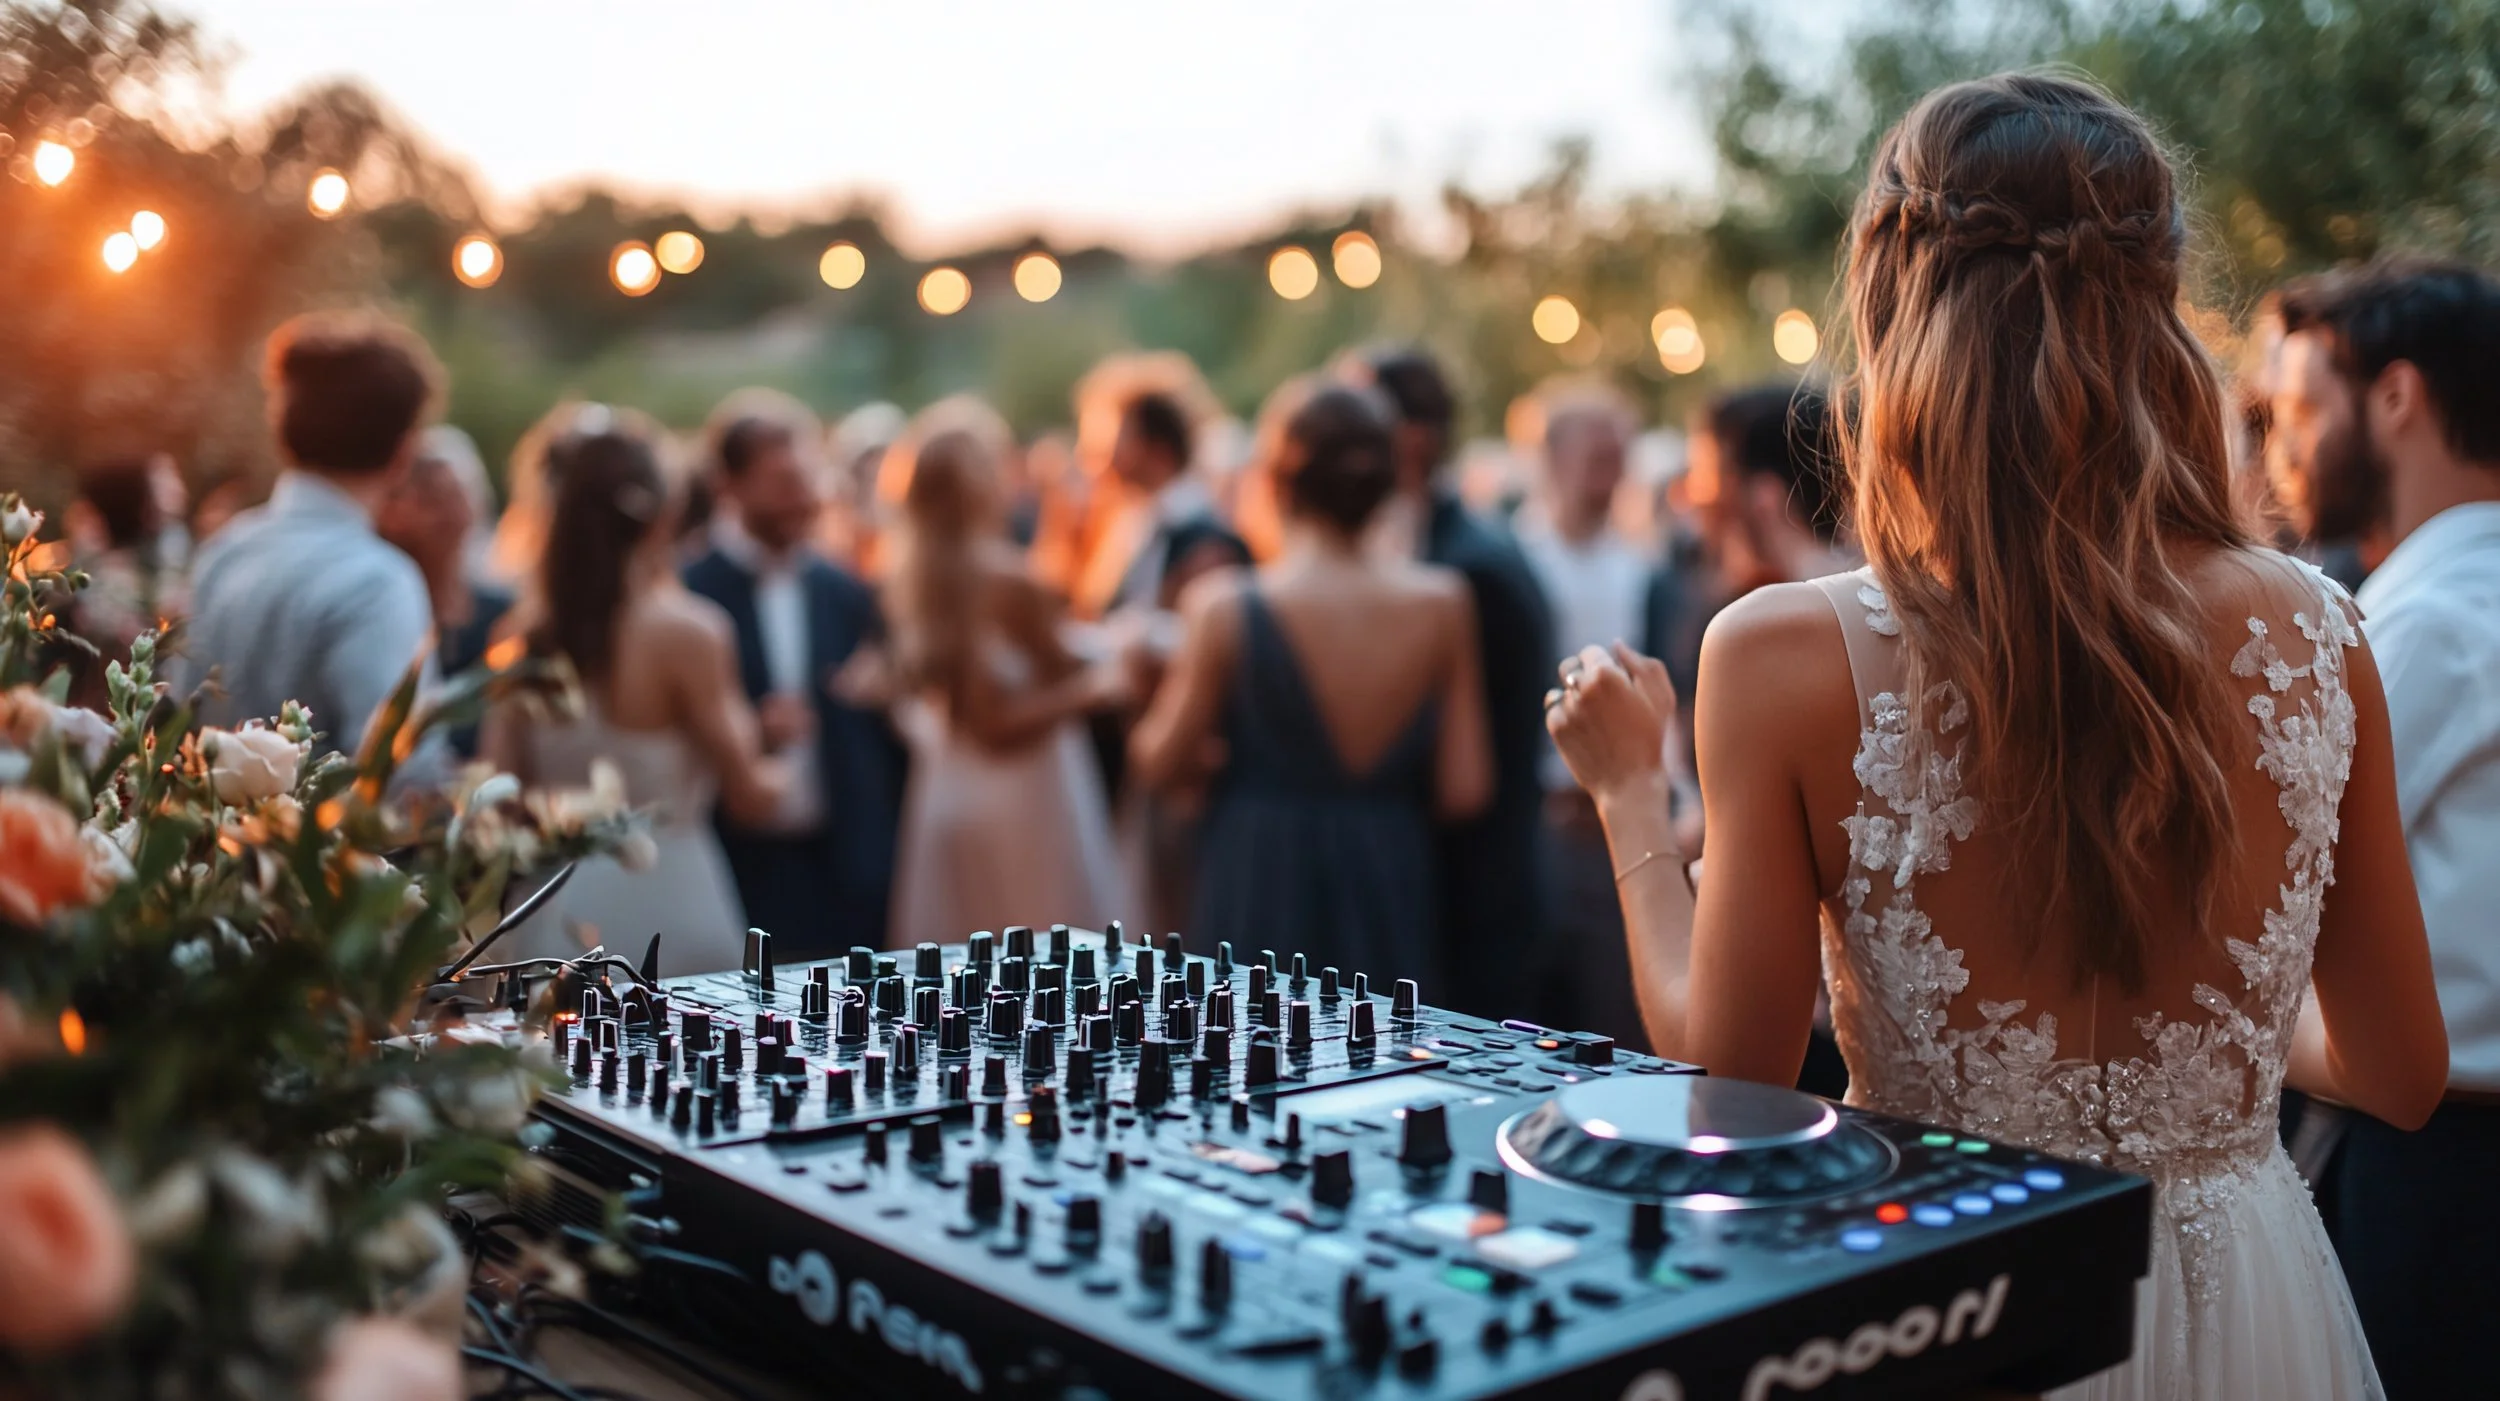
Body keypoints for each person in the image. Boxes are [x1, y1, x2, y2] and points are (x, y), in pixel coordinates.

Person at [1548, 74, 2445, 1400]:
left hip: (1948, 1295)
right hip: (2238, 1293)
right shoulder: (2317, 630)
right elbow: (2402, 1073)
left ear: (1889, 300)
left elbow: (1726, 1088)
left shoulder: (1784, 653)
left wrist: (1629, 791)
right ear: (2157, 303)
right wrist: (2211, 1041)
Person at [2271, 259, 2500, 1400]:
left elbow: (2266, 895)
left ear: (2396, 398)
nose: (2282, 452)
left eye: (2302, 411)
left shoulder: (2420, 626)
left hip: (2434, 1168)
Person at [1133, 381, 1490, 982]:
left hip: (1258, 875)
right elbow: (1464, 787)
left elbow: (1159, 763)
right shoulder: (1442, 604)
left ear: (1275, 482)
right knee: (1380, 1060)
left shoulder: (1225, 607)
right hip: (1387, 876)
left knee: (1253, 1056)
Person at [482, 405, 797, 978]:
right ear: (662, 514)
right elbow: (752, 798)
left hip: (555, 909)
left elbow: (498, 800)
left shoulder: (523, 640)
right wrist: (781, 753)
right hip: (669, 897)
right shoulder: (688, 633)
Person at [878, 398, 1134, 946]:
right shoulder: (1009, 582)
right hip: (1027, 794)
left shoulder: (915, 578)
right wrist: (1101, 682)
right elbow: (1000, 719)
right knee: (1050, 961)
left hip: (950, 787)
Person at [1352, 348, 1554, 1020]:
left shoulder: (1473, 567)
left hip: (1470, 891)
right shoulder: (1427, 543)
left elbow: (1472, 754)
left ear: (1412, 437)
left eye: (1357, 419)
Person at [683, 397, 905, 960]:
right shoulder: (689, 593)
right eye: (782, 481)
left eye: (808, 479)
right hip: (732, 863)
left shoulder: (847, 591)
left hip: (843, 862)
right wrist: (749, 731)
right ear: (727, 484)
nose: (802, 499)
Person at [181, 313, 443, 763]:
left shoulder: (225, 550)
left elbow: (177, 718)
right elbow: (397, 771)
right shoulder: (378, 583)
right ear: (404, 452)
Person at [1514, 386, 1651, 1045]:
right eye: (1597, 454)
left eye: (1617, 456)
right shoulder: (1516, 559)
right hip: (1538, 813)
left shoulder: (1643, 568)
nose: (1609, 471)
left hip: (1609, 818)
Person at [375, 426, 512, 758]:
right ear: (393, 513)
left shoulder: (501, 613)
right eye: (433, 500)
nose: (451, 513)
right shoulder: (381, 610)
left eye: (458, 495)